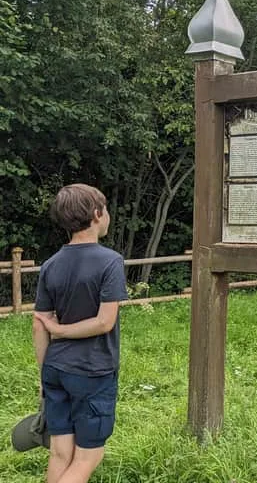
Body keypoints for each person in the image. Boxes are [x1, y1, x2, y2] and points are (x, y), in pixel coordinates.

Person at [32, 184, 128, 483]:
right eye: (106, 210)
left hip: (55, 369)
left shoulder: (51, 265)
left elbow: (39, 323)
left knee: (61, 451)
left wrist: (43, 376)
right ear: (97, 214)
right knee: (89, 456)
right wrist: (61, 330)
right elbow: (103, 322)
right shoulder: (110, 261)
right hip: (92, 370)